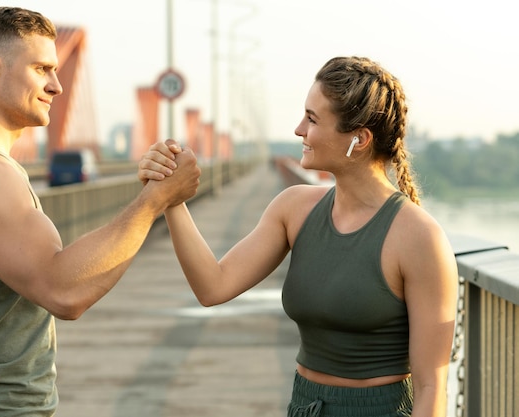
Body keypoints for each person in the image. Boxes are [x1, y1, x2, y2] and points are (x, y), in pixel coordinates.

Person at [0, 7, 199, 417]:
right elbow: (64, 291)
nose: (57, 86)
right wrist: (154, 201)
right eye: (42, 68)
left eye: (57, 70)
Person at [139, 56, 458, 416]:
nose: (298, 129)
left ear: (360, 138)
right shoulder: (294, 208)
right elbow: (213, 286)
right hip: (304, 405)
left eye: (312, 118)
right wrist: (170, 197)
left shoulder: (419, 237)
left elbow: (432, 386)